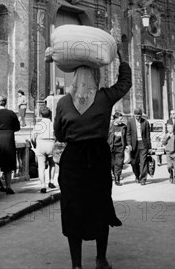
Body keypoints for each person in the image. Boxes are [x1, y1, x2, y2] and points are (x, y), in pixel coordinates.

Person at [54, 42, 132, 269]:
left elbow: (59, 133)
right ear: (95, 77)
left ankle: (76, 265)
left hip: (73, 161)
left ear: (75, 78)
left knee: (73, 208)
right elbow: (125, 83)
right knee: (99, 205)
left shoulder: (63, 102)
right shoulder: (104, 97)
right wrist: (122, 58)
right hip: (97, 159)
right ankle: (101, 259)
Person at [0, 96, 21, 194]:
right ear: (5, 103)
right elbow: (17, 127)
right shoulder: (11, 114)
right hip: (8, 139)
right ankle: (8, 186)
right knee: (8, 163)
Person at [31, 106, 56, 193]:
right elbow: (57, 135)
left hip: (41, 144)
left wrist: (34, 145)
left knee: (41, 166)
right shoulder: (53, 124)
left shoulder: (38, 125)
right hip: (50, 144)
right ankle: (51, 181)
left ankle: (43, 186)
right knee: (52, 164)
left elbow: (33, 137)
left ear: (41, 115)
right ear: (49, 115)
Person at [126, 107, 151, 185]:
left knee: (143, 162)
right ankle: (137, 176)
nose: (138, 117)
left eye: (139, 115)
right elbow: (128, 134)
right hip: (134, 145)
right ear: (134, 115)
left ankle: (143, 179)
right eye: (136, 116)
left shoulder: (145, 122)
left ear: (141, 115)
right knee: (134, 163)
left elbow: (147, 135)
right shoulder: (130, 121)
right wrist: (129, 144)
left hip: (143, 144)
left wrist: (149, 147)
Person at [107, 112, 127, 186]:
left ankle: (117, 179)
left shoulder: (124, 127)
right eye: (120, 119)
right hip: (111, 147)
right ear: (115, 119)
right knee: (112, 164)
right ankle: (114, 174)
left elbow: (127, 137)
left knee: (119, 163)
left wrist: (128, 145)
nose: (122, 120)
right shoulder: (109, 126)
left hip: (120, 148)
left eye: (122, 119)